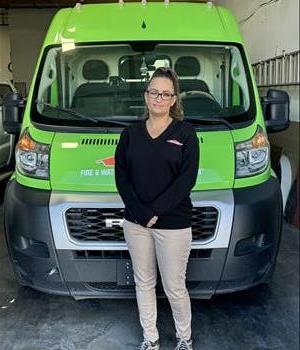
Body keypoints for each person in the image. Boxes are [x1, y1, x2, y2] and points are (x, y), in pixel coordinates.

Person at [114, 67, 200, 350]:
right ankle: (150, 340)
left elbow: (186, 181)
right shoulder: (130, 134)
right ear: (146, 95)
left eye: (165, 94)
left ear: (174, 99)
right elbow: (122, 177)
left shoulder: (186, 134)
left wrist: (154, 211)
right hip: (136, 224)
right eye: (154, 92)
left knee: (175, 288)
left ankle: (184, 339)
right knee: (144, 283)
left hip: (174, 224)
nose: (159, 98)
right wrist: (139, 212)